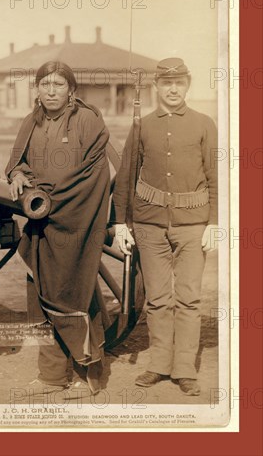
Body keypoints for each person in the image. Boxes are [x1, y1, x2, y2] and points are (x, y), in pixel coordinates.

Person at [113, 57, 218, 396]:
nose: (173, 89)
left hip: (192, 225)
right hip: (149, 224)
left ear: (187, 85)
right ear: (157, 87)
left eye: (180, 83)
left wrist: (214, 222)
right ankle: (159, 364)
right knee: (158, 299)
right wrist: (120, 224)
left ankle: (185, 368)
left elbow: (217, 177)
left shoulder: (204, 124)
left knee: (188, 298)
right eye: (166, 83)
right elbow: (126, 177)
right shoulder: (142, 125)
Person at [5, 61, 111, 399]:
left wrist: (52, 201)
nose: (51, 91)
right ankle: (51, 375)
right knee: (39, 295)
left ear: (71, 89)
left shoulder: (87, 121)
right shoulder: (30, 122)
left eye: (59, 85)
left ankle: (86, 374)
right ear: (36, 89)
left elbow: (93, 176)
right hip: (39, 223)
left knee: (73, 292)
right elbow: (17, 161)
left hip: (75, 222)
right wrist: (18, 175)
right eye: (45, 84)